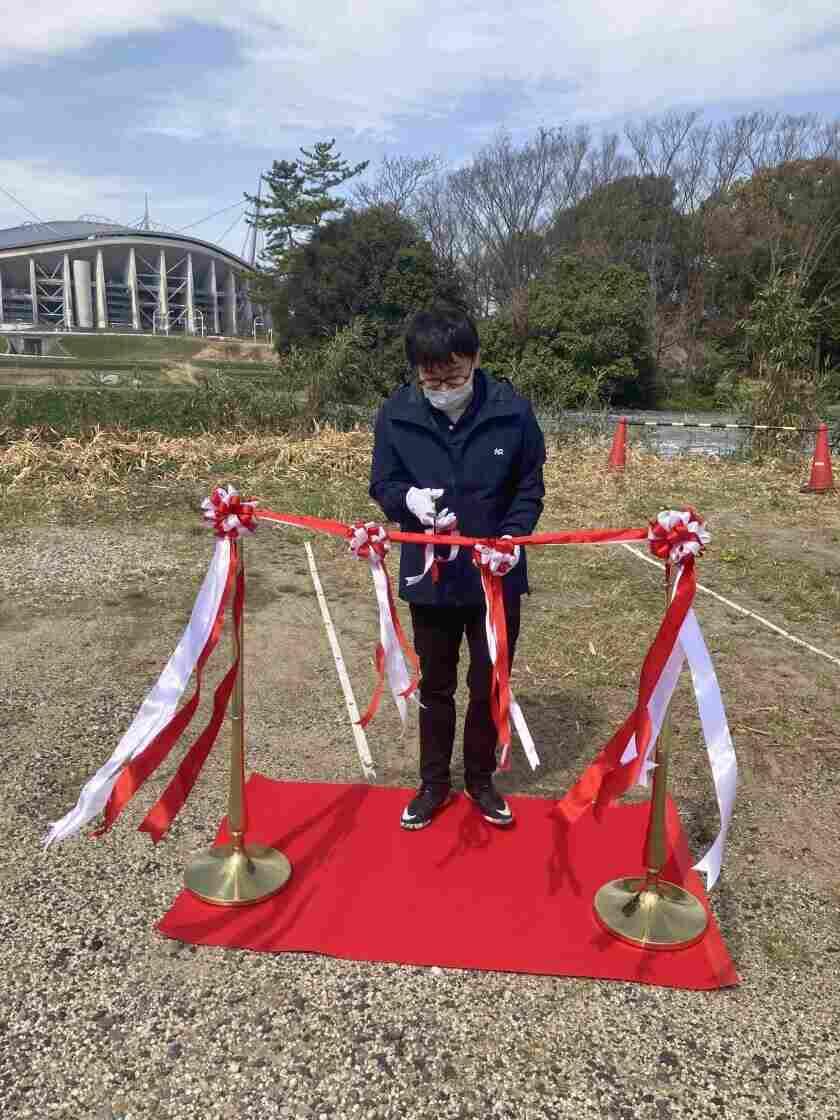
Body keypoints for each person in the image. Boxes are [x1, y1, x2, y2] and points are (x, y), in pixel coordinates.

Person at [369, 308, 546, 830]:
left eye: (454, 376)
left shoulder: (512, 412)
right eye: (432, 379)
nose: (443, 387)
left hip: (495, 574)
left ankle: (480, 779)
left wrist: (513, 537)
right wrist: (409, 502)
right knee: (437, 683)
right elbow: (383, 483)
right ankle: (432, 784)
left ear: (474, 360)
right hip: (432, 578)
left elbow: (528, 487)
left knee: (488, 680)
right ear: (416, 372)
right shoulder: (397, 413)